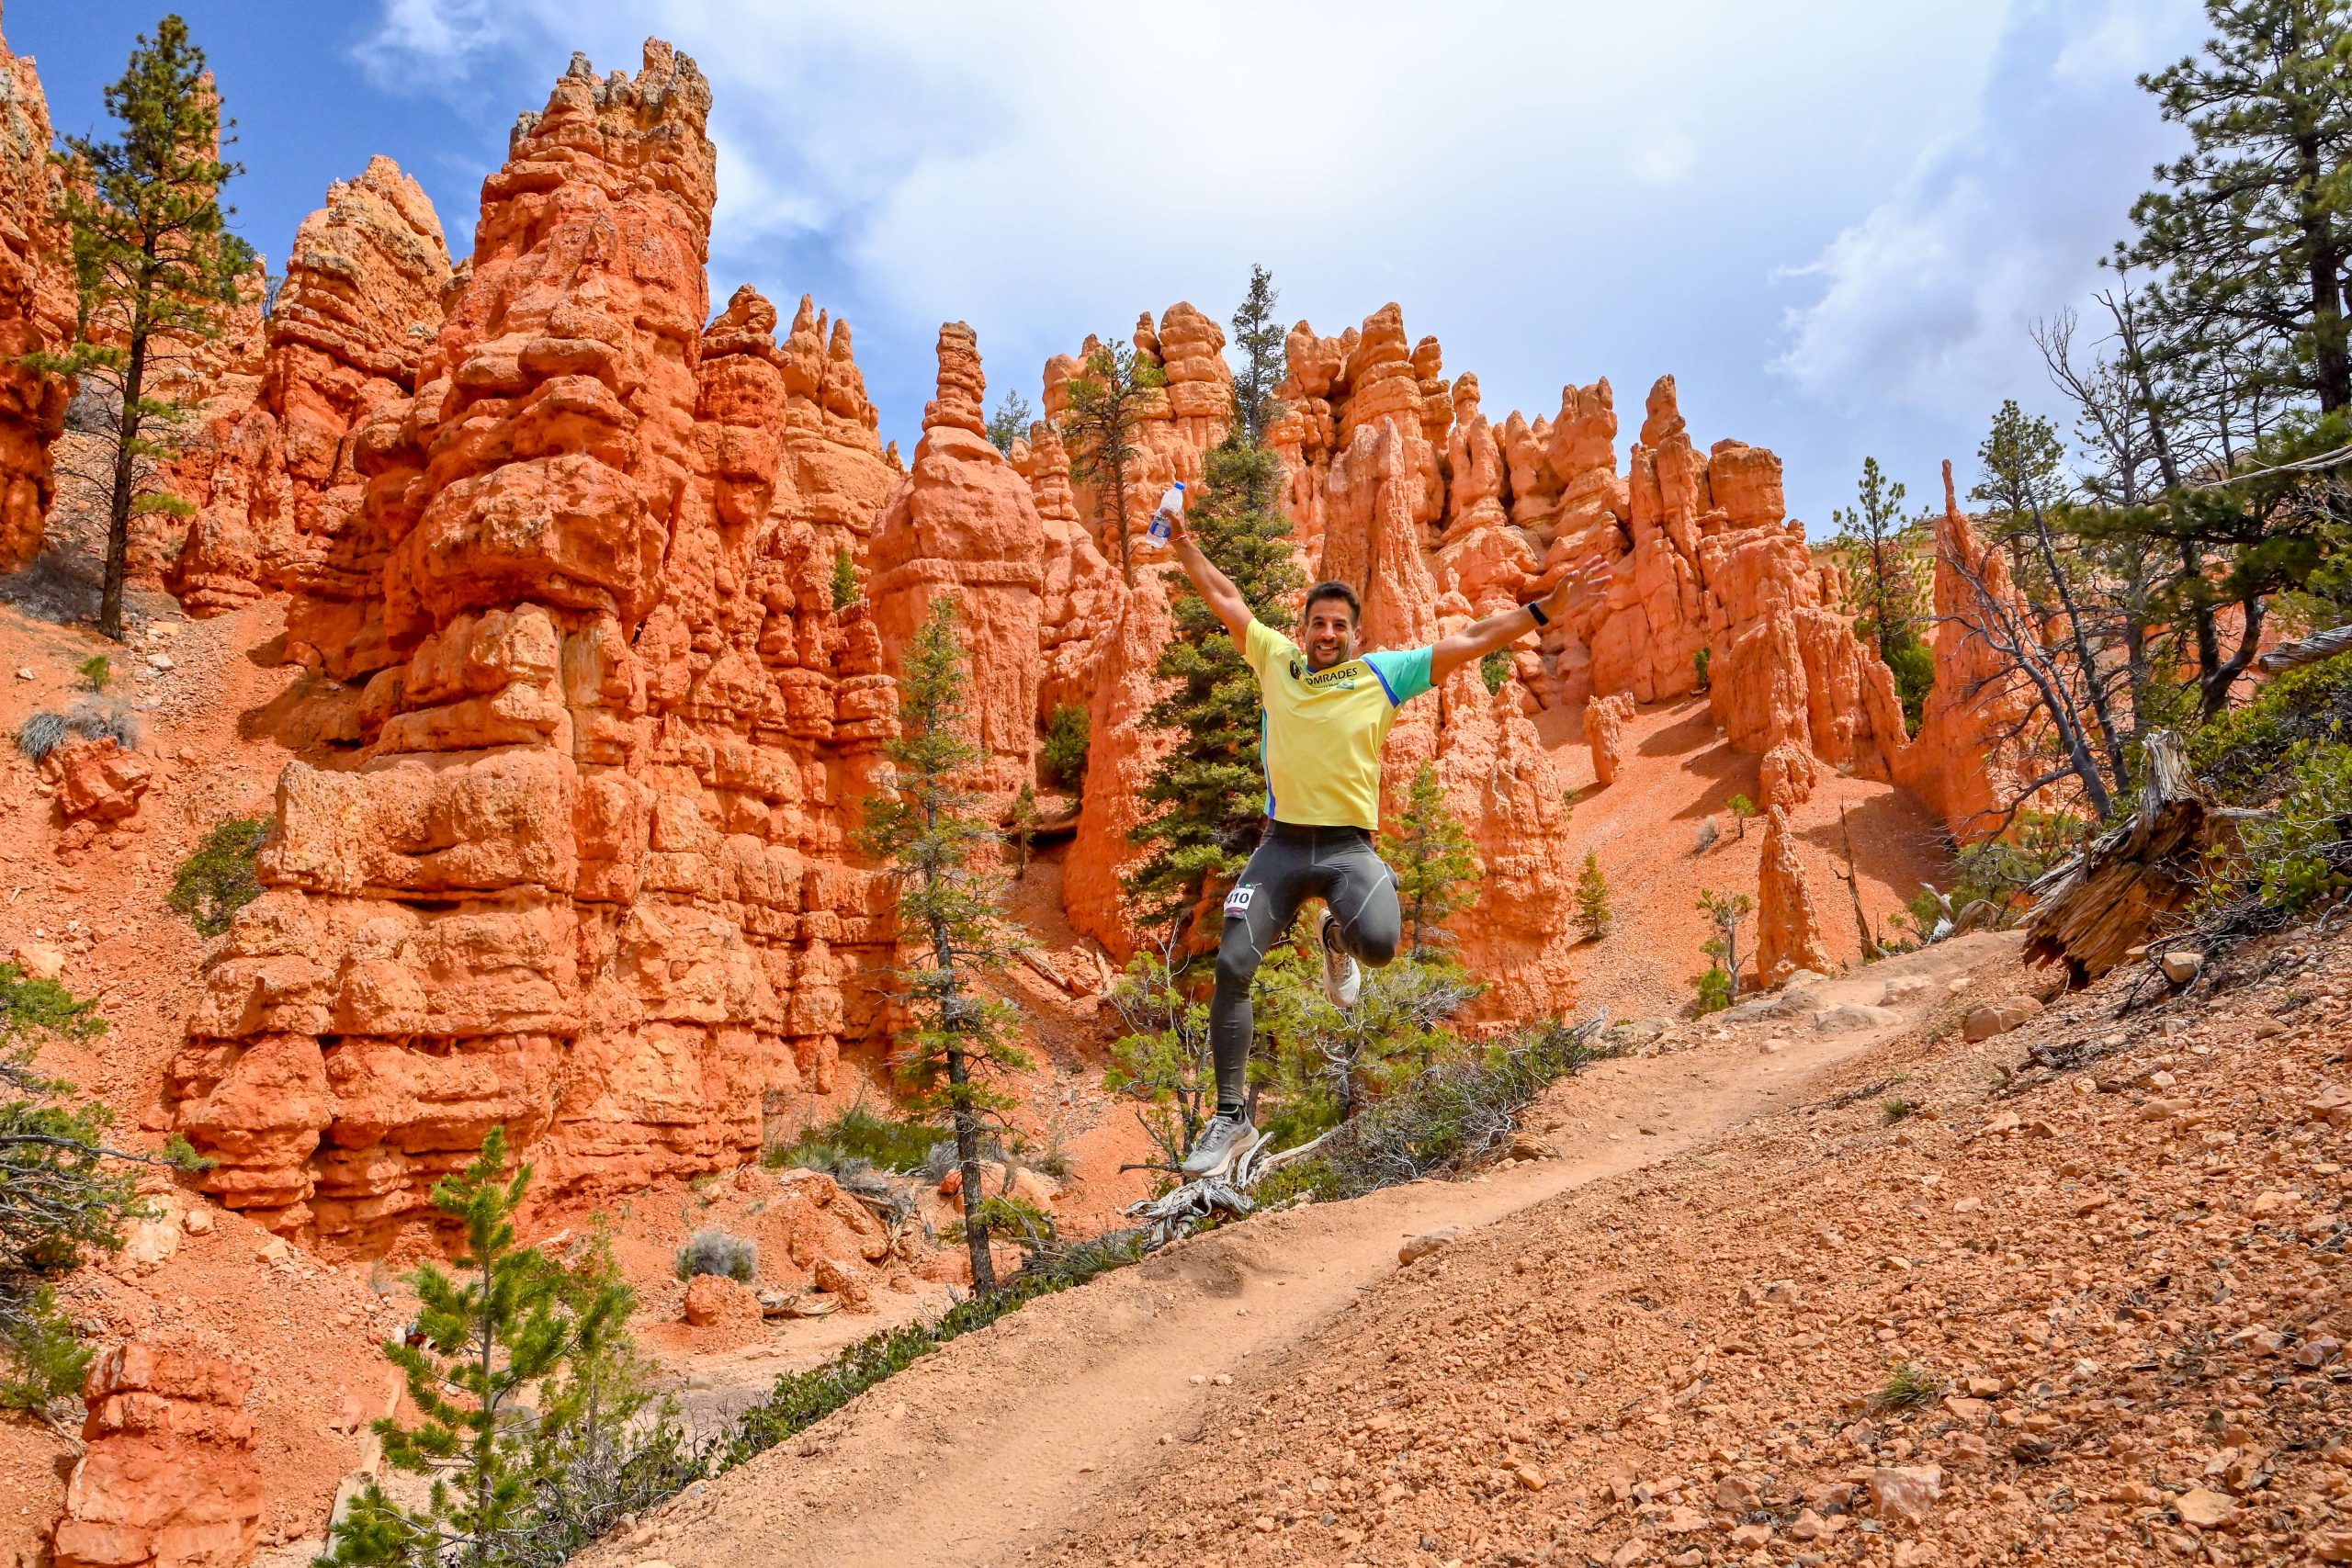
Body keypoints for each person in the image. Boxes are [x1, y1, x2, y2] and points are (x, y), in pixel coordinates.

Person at [1162, 509, 1599, 1179]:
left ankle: (1335, 941)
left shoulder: (1383, 674)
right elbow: (1226, 599)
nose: (1327, 633)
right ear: (1302, 628)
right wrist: (1185, 538)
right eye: (1318, 622)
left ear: (1355, 633)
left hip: (1346, 848)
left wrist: (1540, 612)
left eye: (1340, 624)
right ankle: (1230, 1118)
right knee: (1231, 965)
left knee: (1381, 943)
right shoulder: (1275, 660)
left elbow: (1475, 636)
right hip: (1280, 847)